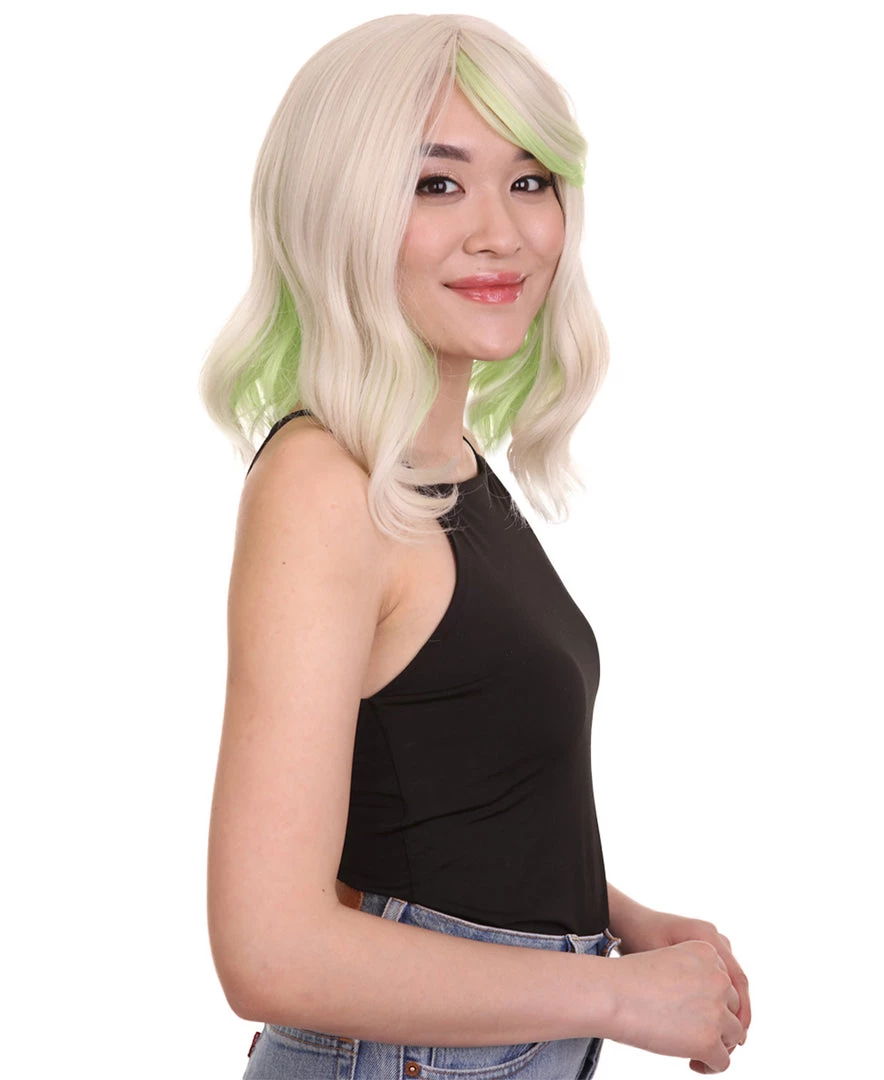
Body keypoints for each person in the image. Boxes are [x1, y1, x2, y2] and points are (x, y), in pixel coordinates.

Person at [201, 14, 751, 1079]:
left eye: (529, 180)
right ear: (337, 209)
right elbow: (268, 950)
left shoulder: (433, 463)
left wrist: (613, 921)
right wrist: (615, 995)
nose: (501, 233)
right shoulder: (325, 485)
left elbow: (434, 813)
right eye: (436, 183)